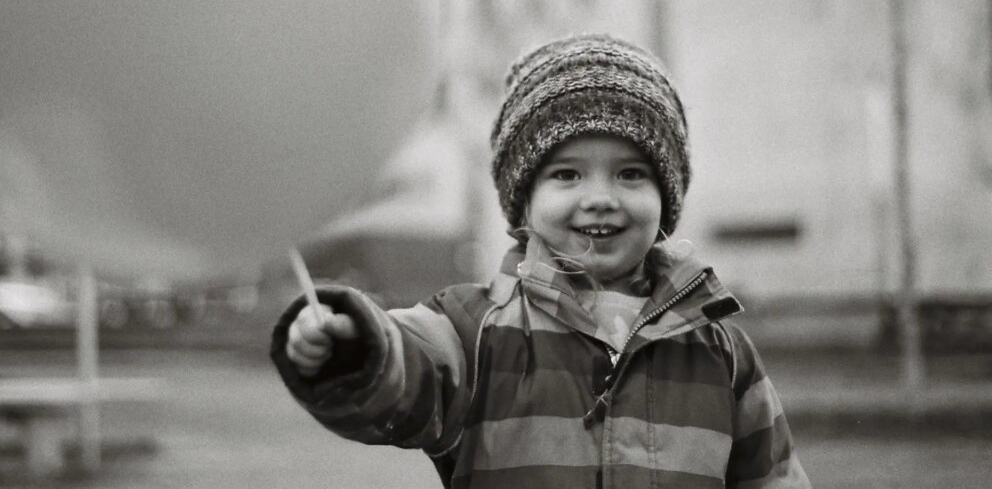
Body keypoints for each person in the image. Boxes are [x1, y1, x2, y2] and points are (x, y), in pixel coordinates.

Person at [271, 34, 811, 488]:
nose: (600, 197)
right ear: (523, 201)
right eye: (567, 174)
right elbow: (405, 379)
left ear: (666, 198)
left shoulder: (719, 349)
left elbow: (774, 477)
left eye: (631, 174)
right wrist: (349, 349)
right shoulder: (473, 331)